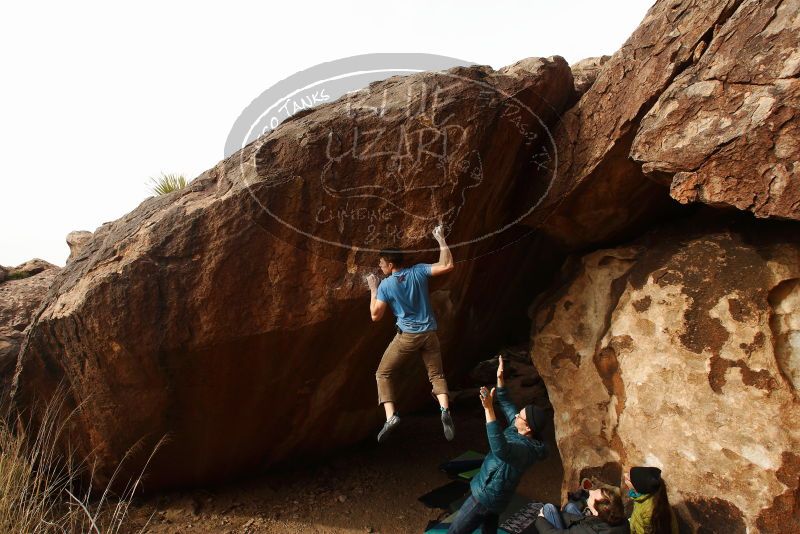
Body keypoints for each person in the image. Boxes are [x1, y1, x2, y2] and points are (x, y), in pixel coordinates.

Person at [366, 224, 455, 443]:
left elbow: (375, 316)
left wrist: (373, 289)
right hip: (429, 334)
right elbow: (447, 265)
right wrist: (441, 238)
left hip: (407, 336)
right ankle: (444, 410)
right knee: (437, 375)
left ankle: (391, 417)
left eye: (381, 263)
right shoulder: (418, 271)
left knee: (382, 373)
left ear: (390, 264)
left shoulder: (386, 285)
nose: (380, 265)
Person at [447, 357, 548, 533]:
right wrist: (500, 379)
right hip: (495, 497)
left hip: (485, 498)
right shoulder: (519, 428)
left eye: (520, 417)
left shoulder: (526, 451)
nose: (516, 416)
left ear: (529, 427)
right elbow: (507, 404)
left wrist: (488, 409)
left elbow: (500, 448)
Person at [535, 486, 629, 534]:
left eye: (592, 497)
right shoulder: (622, 520)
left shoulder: (590, 531)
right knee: (570, 507)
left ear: (595, 512)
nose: (591, 491)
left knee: (548, 508)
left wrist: (540, 519)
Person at [625, 466, 678, 534]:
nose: (624, 475)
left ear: (637, 487)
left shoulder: (649, 512)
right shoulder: (642, 495)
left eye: (628, 477)